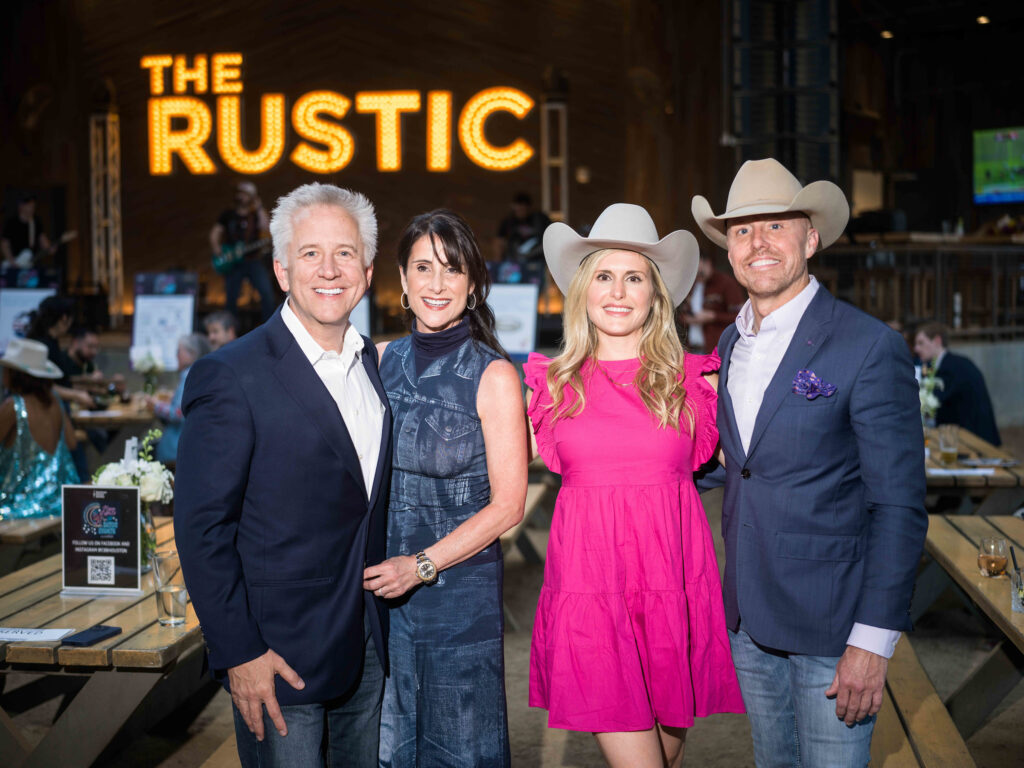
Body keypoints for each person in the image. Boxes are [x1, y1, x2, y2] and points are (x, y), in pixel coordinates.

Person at [690, 158, 928, 767]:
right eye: (742, 230)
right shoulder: (729, 343)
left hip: (834, 627)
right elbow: (734, 462)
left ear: (811, 238)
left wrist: (872, 643)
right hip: (747, 617)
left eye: (776, 225)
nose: (758, 242)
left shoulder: (869, 345)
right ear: (730, 250)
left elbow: (898, 506)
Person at [175, 183, 393, 767]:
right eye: (310, 253)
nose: (329, 269)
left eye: (345, 253)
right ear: (280, 269)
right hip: (276, 658)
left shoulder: (372, 365)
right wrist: (238, 650)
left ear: (367, 272)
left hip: (368, 646)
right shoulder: (230, 375)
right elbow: (201, 529)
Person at [525, 203, 744, 768]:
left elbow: (762, 468)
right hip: (591, 602)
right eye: (603, 275)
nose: (618, 291)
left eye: (634, 277)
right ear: (583, 290)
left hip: (673, 594)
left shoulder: (692, 384)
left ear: (654, 294)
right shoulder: (550, 389)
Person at [366, 210, 528, 767]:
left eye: (452, 270)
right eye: (423, 268)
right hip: (380, 596)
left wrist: (422, 565)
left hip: (457, 596)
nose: (437, 284)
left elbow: (509, 504)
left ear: (474, 285)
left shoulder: (495, 376)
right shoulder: (379, 361)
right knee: (388, 745)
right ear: (403, 282)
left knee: (461, 749)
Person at [0, 338, 81, 519]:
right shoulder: (55, 400)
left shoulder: (13, 406)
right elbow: (72, 442)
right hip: (58, 500)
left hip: (18, 505)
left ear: (15, 373)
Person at [913, 322, 1001, 446]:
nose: (916, 349)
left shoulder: (952, 367)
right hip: (964, 438)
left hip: (978, 442)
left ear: (937, 341)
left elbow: (928, 404)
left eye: (921, 343)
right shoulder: (946, 364)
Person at [210, 181, 277, 322]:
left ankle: (270, 327)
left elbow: (266, 228)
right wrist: (219, 252)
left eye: (245, 194)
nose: (241, 196)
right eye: (240, 193)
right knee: (231, 298)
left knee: (267, 294)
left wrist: (258, 206)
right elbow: (215, 234)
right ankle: (229, 331)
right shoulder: (228, 215)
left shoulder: (254, 215)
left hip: (253, 260)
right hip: (232, 262)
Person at [147, 333, 210, 467]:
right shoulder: (203, 372)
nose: (176, 356)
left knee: (142, 450)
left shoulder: (189, 375)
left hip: (176, 447)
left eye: (178, 351)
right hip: (195, 444)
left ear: (191, 354)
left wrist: (155, 405)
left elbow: (178, 413)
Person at [679, 254, 746, 353]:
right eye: (694, 274)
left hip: (717, 350)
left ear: (708, 263)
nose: (698, 277)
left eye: (700, 273)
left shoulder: (726, 283)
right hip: (692, 348)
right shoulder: (691, 284)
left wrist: (713, 316)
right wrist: (687, 318)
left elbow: (741, 316)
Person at [495, 191, 551, 262]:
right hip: (514, 261)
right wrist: (498, 262)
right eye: (519, 208)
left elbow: (551, 238)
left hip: (538, 261)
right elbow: (499, 242)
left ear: (529, 208)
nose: (521, 211)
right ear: (514, 207)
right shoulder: (508, 222)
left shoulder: (540, 219)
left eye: (524, 208)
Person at [1, 195, 55, 267]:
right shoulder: (11, 222)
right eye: (30, 206)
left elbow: (43, 239)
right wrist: (12, 262)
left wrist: (49, 248)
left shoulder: (36, 222)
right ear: (21, 206)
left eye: (33, 206)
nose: (32, 208)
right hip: (14, 263)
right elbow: (4, 244)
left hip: (31, 264)